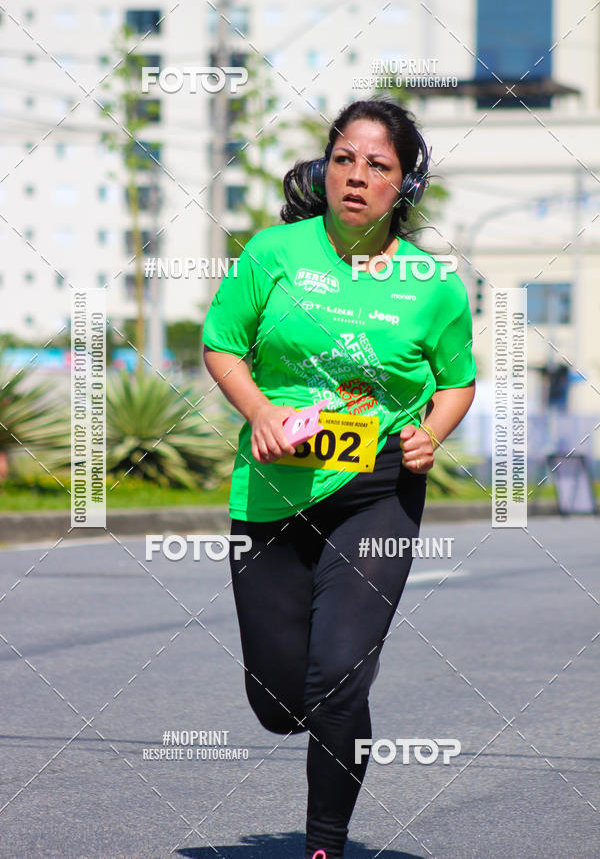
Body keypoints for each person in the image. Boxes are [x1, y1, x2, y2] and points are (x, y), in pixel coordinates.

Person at [202, 97, 476, 858]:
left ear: (404, 186)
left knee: (337, 681)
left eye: (378, 165)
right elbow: (223, 344)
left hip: (377, 489)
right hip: (272, 491)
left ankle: (327, 841)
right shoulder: (272, 253)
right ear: (326, 167)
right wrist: (258, 410)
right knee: (281, 702)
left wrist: (431, 434)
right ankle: (294, 708)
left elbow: (457, 380)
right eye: (344, 158)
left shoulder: (431, 283)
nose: (356, 176)